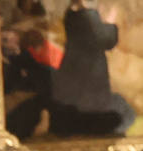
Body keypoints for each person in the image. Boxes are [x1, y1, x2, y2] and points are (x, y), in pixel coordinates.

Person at [51, 0, 135, 135]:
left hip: (77, 73)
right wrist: (110, 22)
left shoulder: (71, 13)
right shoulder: (87, 15)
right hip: (88, 77)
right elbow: (105, 39)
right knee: (124, 114)